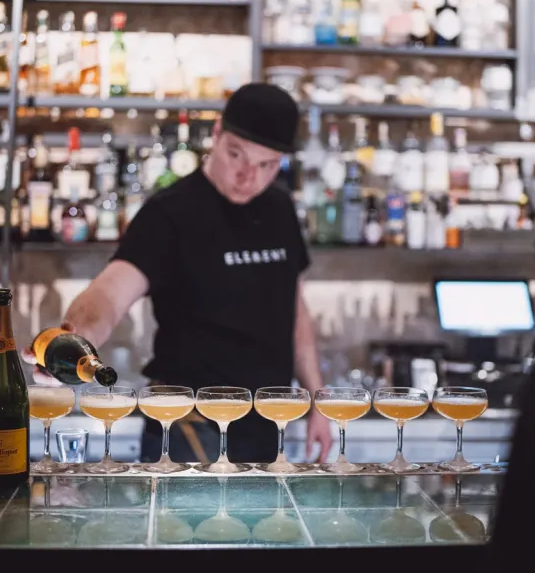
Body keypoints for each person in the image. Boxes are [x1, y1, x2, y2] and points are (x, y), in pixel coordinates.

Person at [54, 83, 332, 465]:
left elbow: (293, 308)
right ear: (216, 134)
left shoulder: (280, 210)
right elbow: (110, 293)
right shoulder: (169, 214)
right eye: (236, 155)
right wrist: (75, 339)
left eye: (266, 165)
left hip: (266, 420)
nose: (247, 176)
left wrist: (318, 400)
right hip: (187, 420)